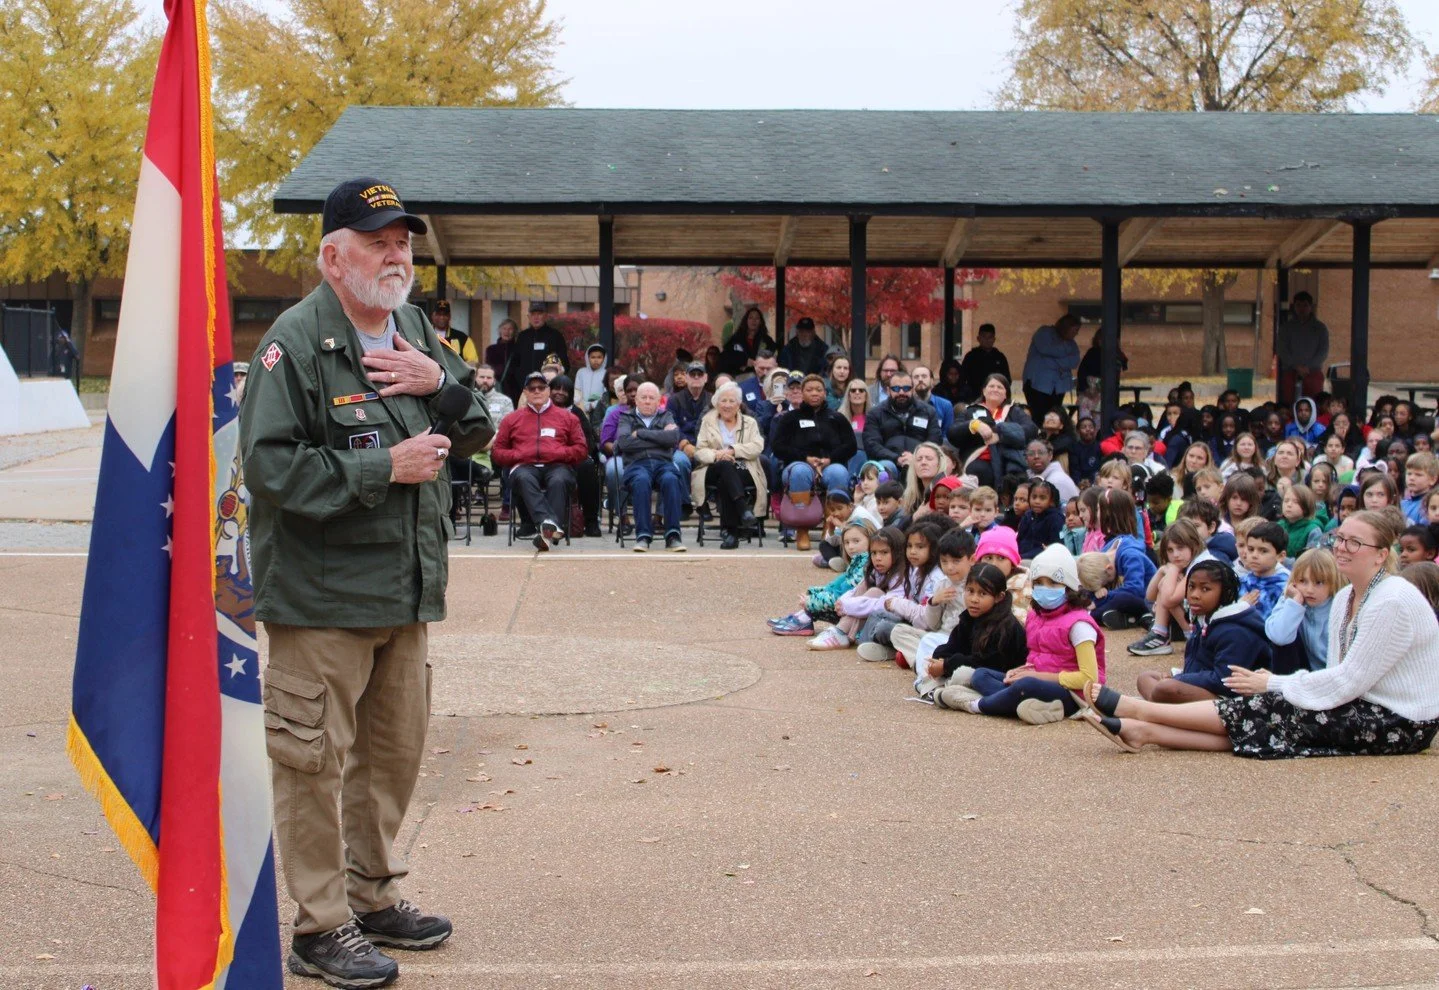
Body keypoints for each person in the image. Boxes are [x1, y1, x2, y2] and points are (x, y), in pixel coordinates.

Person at [240, 177, 493, 986]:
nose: (395, 255)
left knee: (391, 756)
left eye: (403, 241)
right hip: (320, 598)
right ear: (332, 255)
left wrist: (438, 385)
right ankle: (320, 927)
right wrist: (382, 464)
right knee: (312, 762)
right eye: (378, 240)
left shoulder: (413, 327)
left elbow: (479, 428)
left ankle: (375, 897)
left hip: (404, 589)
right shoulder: (294, 341)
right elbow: (269, 469)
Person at [1074, 510, 1439, 759]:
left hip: (1401, 721)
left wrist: (1275, 683)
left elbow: (1348, 682)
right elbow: (1337, 675)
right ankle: (1144, 732)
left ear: (1380, 556)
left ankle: (1140, 711)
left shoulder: (1392, 599)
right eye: (1340, 539)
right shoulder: (1346, 596)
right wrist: (1281, 685)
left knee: (1273, 711)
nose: (1342, 547)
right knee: (1263, 720)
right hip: (1364, 704)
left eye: (1355, 543)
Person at [939, 545, 1104, 724]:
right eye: (1039, 583)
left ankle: (978, 704)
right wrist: (1020, 671)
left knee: (1026, 685)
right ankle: (1027, 705)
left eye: (1053, 583)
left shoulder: (1079, 625)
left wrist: (1034, 676)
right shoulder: (1035, 616)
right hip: (1037, 683)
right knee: (981, 675)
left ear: (1070, 586)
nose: (1045, 588)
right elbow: (1035, 658)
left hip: (1073, 694)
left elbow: (1088, 678)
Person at [1133, 558, 1271, 703]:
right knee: (1146, 678)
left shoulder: (1236, 630)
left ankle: (1156, 710)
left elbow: (1225, 680)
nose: (1194, 595)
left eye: (1205, 589)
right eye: (1191, 587)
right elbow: (1198, 665)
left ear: (1225, 592)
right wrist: (1180, 677)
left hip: (1233, 699)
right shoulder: (1205, 619)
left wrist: (1181, 679)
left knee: (1166, 688)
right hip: (1207, 687)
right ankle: (1161, 709)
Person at [490, 372, 588, 550]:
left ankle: (546, 531)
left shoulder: (568, 418)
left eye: (541, 387)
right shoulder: (511, 419)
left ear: (548, 391)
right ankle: (550, 526)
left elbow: (581, 450)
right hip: (524, 466)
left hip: (558, 465)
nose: (537, 391)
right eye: (532, 388)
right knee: (523, 477)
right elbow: (497, 453)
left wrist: (556, 453)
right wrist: (519, 455)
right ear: (525, 392)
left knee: (559, 480)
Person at [772, 374, 857, 552]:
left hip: (829, 463)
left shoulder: (837, 418)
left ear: (825, 393)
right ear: (802, 393)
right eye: (809, 390)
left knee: (839, 473)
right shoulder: (790, 418)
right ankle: (802, 529)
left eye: (819, 390)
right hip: (799, 464)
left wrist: (829, 459)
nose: (814, 393)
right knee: (800, 472)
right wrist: (805, 458)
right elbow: (778, 446)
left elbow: (851, 446)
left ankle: (831, 526)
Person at [691, 382, 765, 549]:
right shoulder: (707, 421)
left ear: (738, 404)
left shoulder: (750, 422)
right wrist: (717, 455)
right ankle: (743, 509)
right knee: (725, 467)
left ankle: (730, 533)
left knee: (727, 479)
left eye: (732, 401)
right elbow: (699, 451)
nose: (727, 405)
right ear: (717, 403)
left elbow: (757, 446)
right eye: (723, 401)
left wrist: (732, 451)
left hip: (743, 467)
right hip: (712, 467)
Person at [616, 382, 689, 552]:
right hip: (636, 464)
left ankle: (673, 535)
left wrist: (641, 434)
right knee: (641, 481)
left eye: (651, 398)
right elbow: (625, 443)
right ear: (636, 400)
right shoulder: (626, 418)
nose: (647, 401)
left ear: (658, 401)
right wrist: (659, 438)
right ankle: (643, 536)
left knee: (671, 479)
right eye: (643, 397)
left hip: (663, 463)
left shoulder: (666, 416)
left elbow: (672, 439)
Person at [948, 373, 1037, 489]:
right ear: (984, 391)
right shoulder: (969, 411)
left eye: (1000, 387)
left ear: (1006, 394)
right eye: (991, 386)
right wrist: (974, 425)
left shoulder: (1015, 411)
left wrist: (1001, 434)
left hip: (1008, 461)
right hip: (977, 461)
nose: (995, 389)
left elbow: (1032, 430)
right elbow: (952, 433)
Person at [1266, 547, 1340, 674]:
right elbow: (1279, 637)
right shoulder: (1292, 599)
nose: (1309, 589)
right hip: (1302, 671)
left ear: (1332, 583)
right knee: (1285, 636)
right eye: (1303, 581)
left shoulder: (1340, 606)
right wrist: (1294, 604)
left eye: (1319, 583)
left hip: (1332, 675)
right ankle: (1283, 691)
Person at [547, 375, 604, 537]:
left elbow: (588, 442)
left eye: (565, 390)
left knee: (587, 467)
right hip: (547, 459)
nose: (560, 393)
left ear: (571, 394)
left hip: (572, 458)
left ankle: (591, 520)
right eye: (556, 388)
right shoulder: (541, 411)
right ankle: (531, 522)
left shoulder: (576, 413)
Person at [863, 371, 942, 478]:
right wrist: (897, 459)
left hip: (921, 461)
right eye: (896, 389)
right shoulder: (875, 413)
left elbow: (935, 440)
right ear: (888, 390)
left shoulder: (928, 411)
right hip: (888, 462)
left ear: (913, 390)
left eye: (906, 388)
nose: (901, 392)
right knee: (886, 467)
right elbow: (872, 445)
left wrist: (916, 458)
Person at [502, 303, 571, 401]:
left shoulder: (555, 336)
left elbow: (564, 363)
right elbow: (514, 363)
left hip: (547, 390)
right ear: (528, 317)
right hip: (524, 390)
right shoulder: (522, 336)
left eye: (539, 314)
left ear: (545, 316)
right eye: (533, 314)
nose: (536, 317)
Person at [1021, 313, 1081, 420]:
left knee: (1054, 417)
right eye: (1075, 330)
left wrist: (1055, 360)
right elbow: (1047, 350)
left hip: (1058, 387)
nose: (1077, 333)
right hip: (1037, 385)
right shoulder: (1044, 333)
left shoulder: (1071, 343)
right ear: (1066, 327)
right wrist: (1065, 353)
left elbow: (1074, 361)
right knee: (1039, 417)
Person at [1275, 291, 1329, 406]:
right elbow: (1282, 349)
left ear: (1311, 307)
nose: (1301, 308)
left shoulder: (1320, 328)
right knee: (1289, 404)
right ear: (1294, 307)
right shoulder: (1286, 327)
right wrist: (1296, 366)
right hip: (1290, 372)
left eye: (1305, 305)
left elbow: (1323, 351)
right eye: (1298, 305)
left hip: (1313, 373)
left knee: (1314, 404)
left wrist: (1307, 367)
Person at [956, 323, 1011, 403]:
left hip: (995, 397)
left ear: (994, 339)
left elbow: (1007, 380)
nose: (987, 340)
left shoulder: (1000, 357)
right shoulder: (971, 357)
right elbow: (962, 378)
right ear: (978, 338)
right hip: (974, 396)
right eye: (984, 337)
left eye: (990, 337)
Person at [721, 306, 777, 376]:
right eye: (751, 318)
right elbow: (725, 356)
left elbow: (772, 355)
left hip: (760, 376)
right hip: (739, 377)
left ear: (760, 322)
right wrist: (744, 361)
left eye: (757, 318)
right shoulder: (736, 339)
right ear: (746, 321)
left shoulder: (766, 340)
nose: (754, 321)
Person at [1024, 438, 1078, 503]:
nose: (1036, 456)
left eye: (1041, 453)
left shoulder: (1056, 481)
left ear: (1050, 455)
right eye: (1031, 454)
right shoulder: (1034, 479)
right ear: (1026, 459)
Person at [909, 365, 954, 435]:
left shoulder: (946, 406)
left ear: (932, 381)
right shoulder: (906, 404)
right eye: (916, 377)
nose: (920, 379)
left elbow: (947, 435)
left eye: (924, 376)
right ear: (910, 382)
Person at [574, 344, 609, 413]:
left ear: (604, 358)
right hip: (581, 409)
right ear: (588, 358)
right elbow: (577, 391)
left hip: (600, 409)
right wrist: (580, 405)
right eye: (593, 357)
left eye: (599, 357)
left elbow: (606, 394)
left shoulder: (606, 373)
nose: (596, 360)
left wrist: (593, 405)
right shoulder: (581, 372)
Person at [484, 318, 517, 386]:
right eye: (504, 328)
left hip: (515, 386)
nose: (507, 332)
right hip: (497, 385)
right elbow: (489, 368)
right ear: (500, 331)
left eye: (510, 329)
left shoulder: (519, 349)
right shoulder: (491, 349)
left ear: (515, 331)